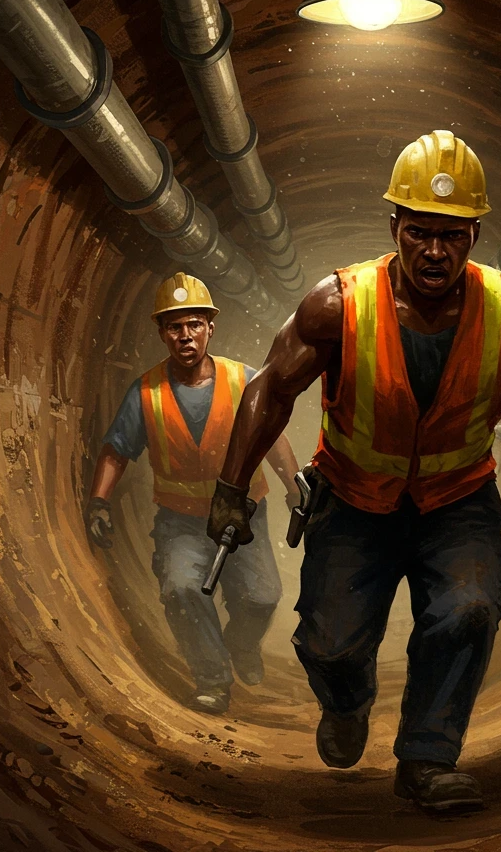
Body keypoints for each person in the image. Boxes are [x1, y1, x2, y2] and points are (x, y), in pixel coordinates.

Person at [207, 129, 501, 812]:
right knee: (332, 645)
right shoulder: (338, 304)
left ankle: (428, 759)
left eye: (451, 236)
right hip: (353, 499)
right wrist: (229, 490)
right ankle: (345, 703)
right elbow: (272, 389)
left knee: (470, 611)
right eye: (419, 232)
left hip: (458, 501)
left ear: (474, 235)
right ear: (394, 226)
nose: (434, 251)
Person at [84, 273, 301, 714]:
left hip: (244, 512)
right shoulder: (146, 392)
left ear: (210, 328)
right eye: (175, 327)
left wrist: (294, 486)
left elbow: (272, 437)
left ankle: (241, 645)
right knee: (182, 590)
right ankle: (213, 681)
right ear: (163, 333)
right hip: (181, 520)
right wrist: (99, 502)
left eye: (194, 324)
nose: (186, 336)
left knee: (262, 597)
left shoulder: (243, 379)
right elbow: (116, 451)